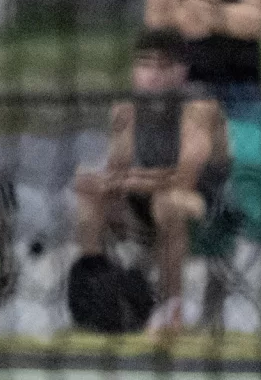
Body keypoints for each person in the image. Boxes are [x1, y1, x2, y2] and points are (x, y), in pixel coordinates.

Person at [71, 28, 229, 334]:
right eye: (145, 65)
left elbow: (184, 177)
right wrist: (101, 183)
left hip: (204, 206)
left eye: (163, 66)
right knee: (89, 195)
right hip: (145, 200)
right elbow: (118, 168)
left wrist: (124, 182)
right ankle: (94, 297)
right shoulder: (126, 109)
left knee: (169, 203)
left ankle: (172, 311)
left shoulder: (199, 107)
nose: (152, 75)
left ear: (181, 71)